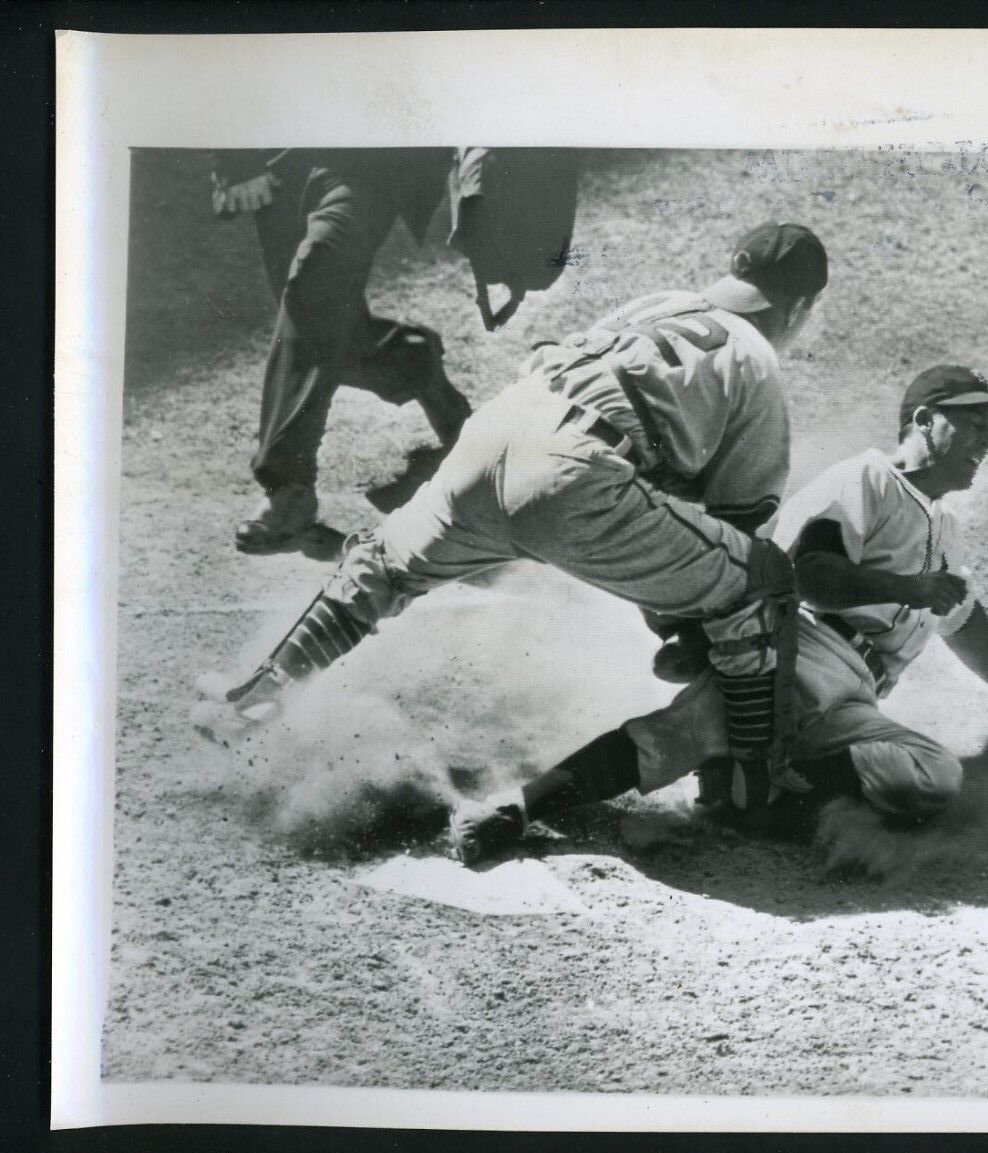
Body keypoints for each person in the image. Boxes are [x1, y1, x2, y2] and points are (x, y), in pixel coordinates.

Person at [194, 220, 830, 798]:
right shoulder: (756, 360)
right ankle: (751, 789)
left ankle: (251, 701)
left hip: (497, 428)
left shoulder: (662, 304)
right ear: (800, 308)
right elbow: (735, 524)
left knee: (383, 567)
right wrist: (689, 624)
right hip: (573, 474)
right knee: (761, 584)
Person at [447, 365, 988, 866]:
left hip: (854, 701)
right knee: (680, 733)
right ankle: (515, 806)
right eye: (972, 424)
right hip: (791, 653)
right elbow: (811, 574)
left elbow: (961, 620)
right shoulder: (867, 479)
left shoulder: (946, 527)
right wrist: (910, 588)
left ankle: (746, 792)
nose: (986, 440)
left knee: (931, 777)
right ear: (924, 420)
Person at [209, 148, 474, 552]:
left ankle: (289, 492)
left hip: (372, 160)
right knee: (322, 330)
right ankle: (416, 363)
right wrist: (236, 159)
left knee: (313, 291)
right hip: (284, 158)